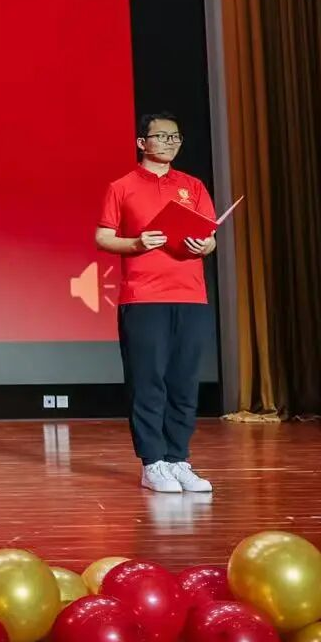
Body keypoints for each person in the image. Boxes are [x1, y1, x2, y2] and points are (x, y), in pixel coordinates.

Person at [95, 112, 218, 494]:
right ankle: (153, 463)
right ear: (142, 142)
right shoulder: (122, 187)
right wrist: (136, 243)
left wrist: (204, 244)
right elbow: (103, 236)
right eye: (161, 136)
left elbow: (211, 237)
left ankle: (178, 459)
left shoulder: (192, 186)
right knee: (148, 382)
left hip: (190, 295)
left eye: (175, 137)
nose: (169, 143)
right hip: (144, 296)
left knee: (184, 381)